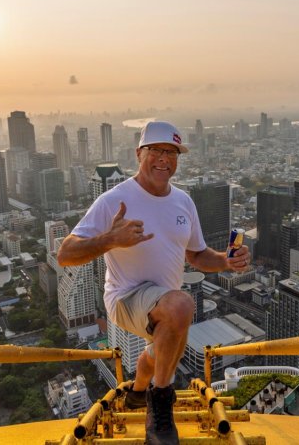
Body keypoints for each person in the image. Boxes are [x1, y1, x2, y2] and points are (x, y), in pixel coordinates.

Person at [57, 120, 249, 444]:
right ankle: (159, 407)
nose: (164, 159)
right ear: (139, 153)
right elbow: (65, 254)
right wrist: (110, 239)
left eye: (171, 152)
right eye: (156, 150)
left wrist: (226, 262)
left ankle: (138, 388)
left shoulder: (184, 202)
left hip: (160, 301)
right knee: (182, 306)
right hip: (124, 297)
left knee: (164, 334)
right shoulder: (113, 200)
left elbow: (198, 255)